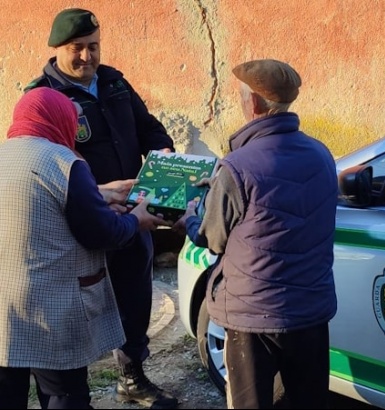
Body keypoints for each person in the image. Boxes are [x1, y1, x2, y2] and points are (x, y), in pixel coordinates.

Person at [25, 8, 179, 408]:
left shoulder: (115, 83)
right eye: (77, 48)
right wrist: (93, 192)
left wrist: (162, 151)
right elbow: (42, 163)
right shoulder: (44, 96)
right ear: (57, 48)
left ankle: (132, 377)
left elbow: (149, 127)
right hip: (78, 224)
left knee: (135, 297)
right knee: (76, 308)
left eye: (93, 46)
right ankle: (71, 390)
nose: (87, 57)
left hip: (131, 216)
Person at [173, 59, 339, 409]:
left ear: (253, 104)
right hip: (310, 310)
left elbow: (212, 239)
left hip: (254, 316)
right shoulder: (323, 155)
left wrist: (188, 218)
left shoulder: (238, 166)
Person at [0, 87, 170, 409]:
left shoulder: (4, 154)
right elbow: (103, 234)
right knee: (64, 395)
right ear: (58, 119)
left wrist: (99, 194)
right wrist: (137, 219)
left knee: (8, 393)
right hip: (50, 310)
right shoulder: (65, 162)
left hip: (4, 309)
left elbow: (42, 203)